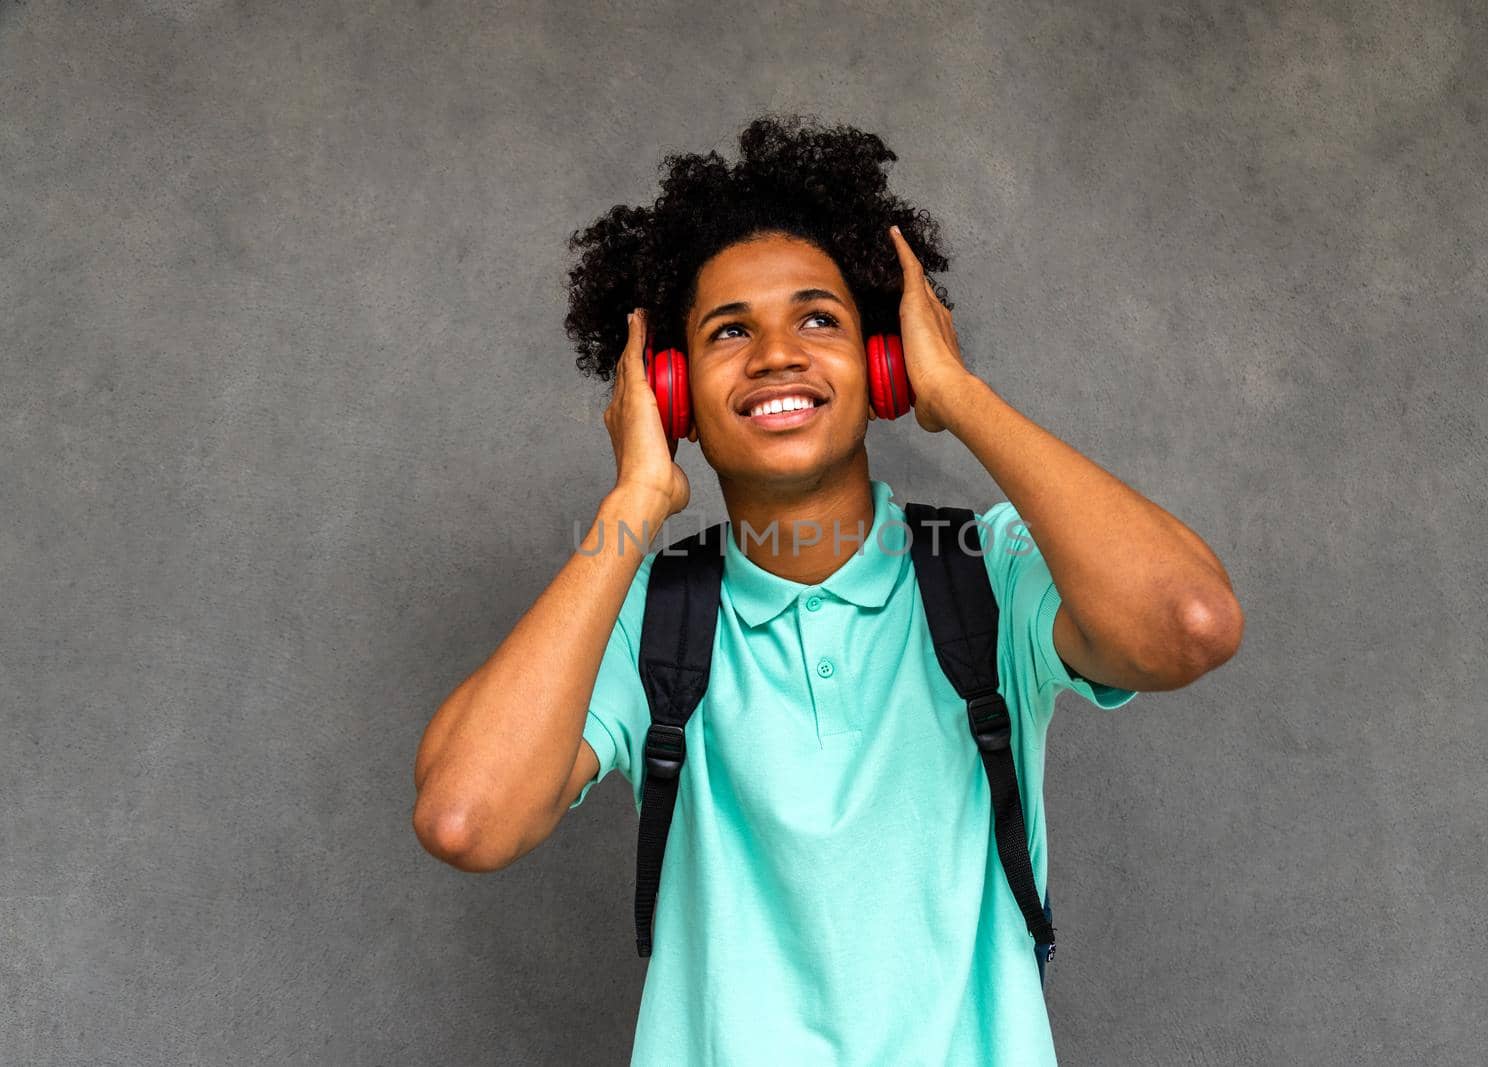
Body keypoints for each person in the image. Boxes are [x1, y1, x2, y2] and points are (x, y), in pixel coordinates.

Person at [411, 113, 1243, 1065]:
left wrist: (962, 397)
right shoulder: (648, 615)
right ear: (671, 391)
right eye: (730, 331)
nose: (777, 354)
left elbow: (1192, 621)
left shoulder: (990, 571)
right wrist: (637, 500)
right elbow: (464, 817)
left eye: (819, 318)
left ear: (884, 363)